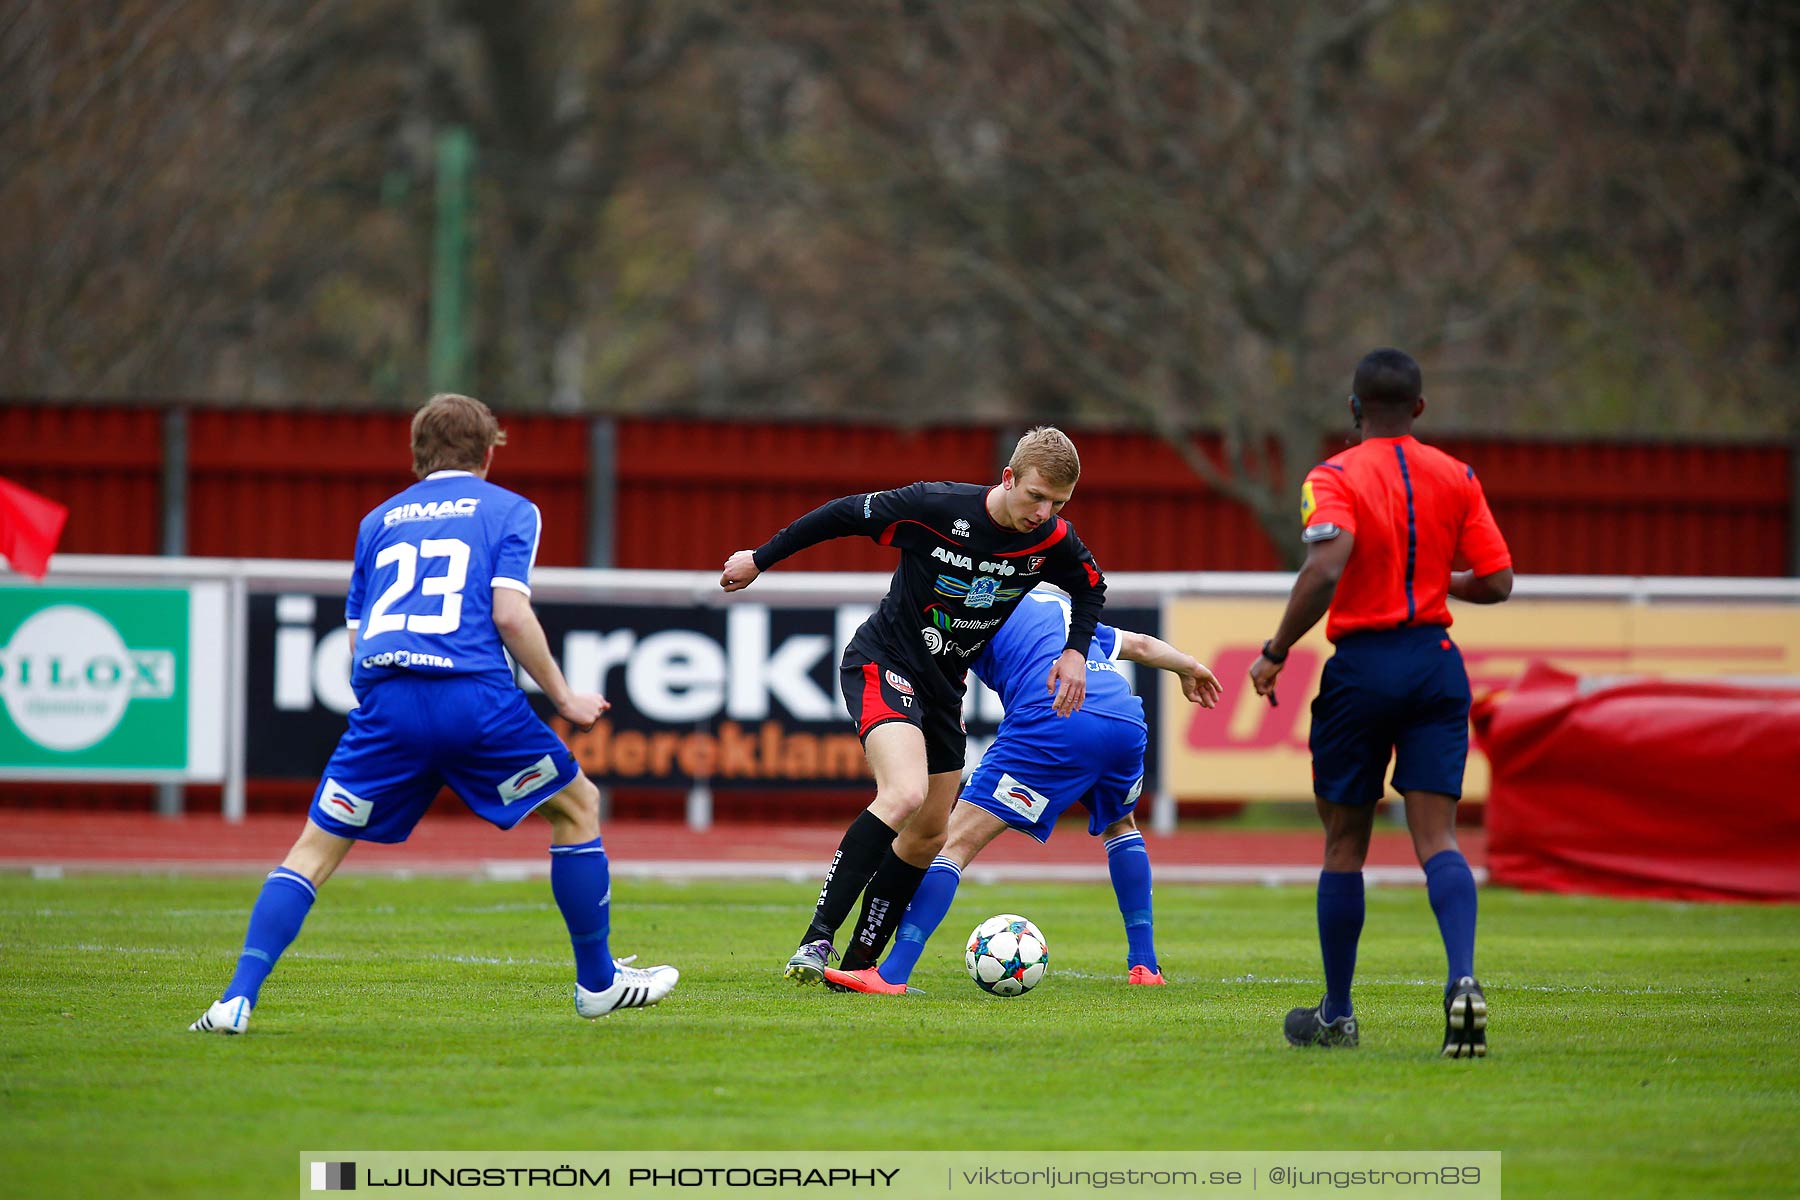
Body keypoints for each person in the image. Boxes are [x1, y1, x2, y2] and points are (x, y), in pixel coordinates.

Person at [191, 394, 677, 1034]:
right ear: (489, 449)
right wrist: (562, 698)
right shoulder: (510, 509)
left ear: (417, 451)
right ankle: (597, 984)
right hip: (473, 698)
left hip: (386, 704)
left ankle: (234, 1000)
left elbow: (356, 643)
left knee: (312, 850)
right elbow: (508, 613)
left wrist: (387, 712)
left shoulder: (378, 521)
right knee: (576, 805)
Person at [721, 427, 1108, 983]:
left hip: (944, 690)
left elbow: (1091, 585)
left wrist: (1075, 652)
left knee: (930, 833)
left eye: (1058, 504)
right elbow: (843, 513)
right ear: (1008, 478)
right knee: (904, 793)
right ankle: (816, 940)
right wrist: (760, 558)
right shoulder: (934, 506)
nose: (1043, 513)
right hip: (884, 661)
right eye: (1036, 496)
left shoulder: (1052, 542)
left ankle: (859, 964)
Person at [1248, 349, 1513, 1058]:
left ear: (1353, 407)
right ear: (1420, 409)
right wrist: (1429, 577)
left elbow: (1326, 565)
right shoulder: (1457, 476)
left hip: (1364, 668)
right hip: (1435, 663)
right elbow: (1498, 580)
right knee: (1439, 838)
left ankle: (1337, 1013)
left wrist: (1276, 651)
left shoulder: (1333, 476)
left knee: (1344, 842)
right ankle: (1462, 978)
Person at [819, 589, 1222, 994]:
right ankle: (1145, 965)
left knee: (951, 843)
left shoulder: (981, 605)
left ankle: (892, 974)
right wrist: (1189, 666)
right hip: (1124, 720)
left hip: (1054, 717)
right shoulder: (1067, 613)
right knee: (1121, 826)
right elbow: (1140, 645)